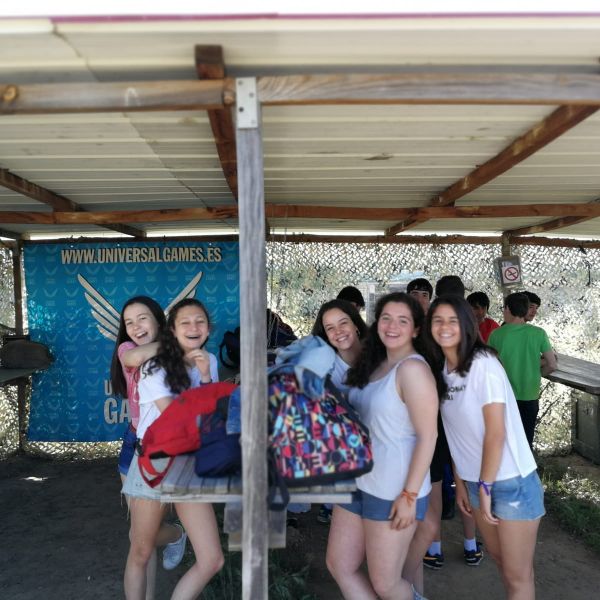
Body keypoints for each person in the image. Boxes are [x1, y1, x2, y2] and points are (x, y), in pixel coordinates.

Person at [425, 294, 545, 600]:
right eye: (438, 320)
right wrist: (462, 483)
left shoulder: (483, 363)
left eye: (453, 320)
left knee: (518, 576)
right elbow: (456, 435)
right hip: (477, 483)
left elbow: (496, 432)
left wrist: (484, 487)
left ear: (467, 324)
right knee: (502, 564)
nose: (445, 327)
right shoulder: (442, 372)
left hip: (511, 482)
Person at [326, 292, 438, 600]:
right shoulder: (375, 363)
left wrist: (409, 496)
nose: (392, 326)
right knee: (340, 565)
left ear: (416, 329)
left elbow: (428, 437)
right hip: (357, 480)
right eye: (386, 318)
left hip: (392, 489)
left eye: (402, 321)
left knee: (386, 584)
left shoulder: (413, 370)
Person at [122, 298, 224, 600]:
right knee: (141, 550)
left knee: (212, 560)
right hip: (154, 463)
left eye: (200, 321)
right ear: (172, 330)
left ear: (208, 328)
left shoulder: (209, 360)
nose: (193, 327)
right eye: (185, 322)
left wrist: (205, 377)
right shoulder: (154, 365)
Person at [109, 296, 187, 596]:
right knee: (140, 538)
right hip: (134, 445)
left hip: (166, 450)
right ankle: (176, 535)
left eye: (142, 318)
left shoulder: (181, 356)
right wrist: (172, 342)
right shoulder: (127, 349)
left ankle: (175, 534)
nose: (135, 326)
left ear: (157, 319)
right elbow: (133, 358)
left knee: (142, 536)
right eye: (129, 322)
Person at [420, 275, 482, 574]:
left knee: (434, 484)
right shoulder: (469, 330)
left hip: (431, 419)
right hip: (461, 420)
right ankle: (471, 545)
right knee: (465, 480)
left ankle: (434, 549)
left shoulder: (429, 328)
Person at [311, 298, 369, 524]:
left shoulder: (379, 355)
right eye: (330, 328)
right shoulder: (326, 367)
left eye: (343, 323)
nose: (338, 332)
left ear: (356, 323)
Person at [488, 292, 557, 449]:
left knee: (505, 443)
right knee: (525, 442)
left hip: (504, 396)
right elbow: (552, 365)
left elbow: (488, 367)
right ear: (525, 309)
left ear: (507, 309)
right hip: (530, 396)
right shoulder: (538, 333)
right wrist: (537, 373)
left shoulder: (496, 334)